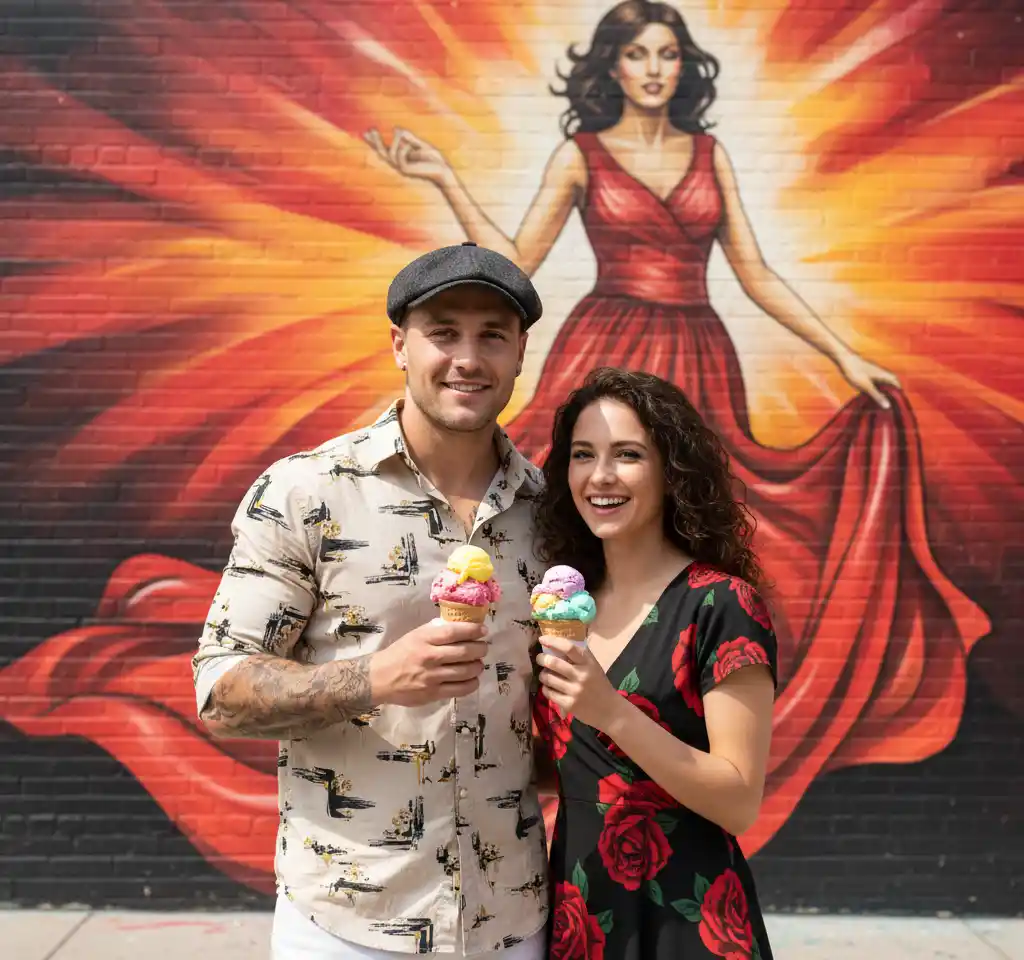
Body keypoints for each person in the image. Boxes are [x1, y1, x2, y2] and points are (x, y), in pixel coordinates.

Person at [365, 0, 987, 854]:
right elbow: (516, 263)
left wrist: (845, 357)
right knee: (575, 535)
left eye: (669, 54)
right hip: (609, 334)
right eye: (637, 54)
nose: (654, 68)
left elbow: (756, 270)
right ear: (611, 67)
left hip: (697, 349)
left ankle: (705, 737)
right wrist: (443, 178)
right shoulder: (581, 155)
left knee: (684, 531)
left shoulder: (710, 153)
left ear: (682, 69)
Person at [192, 241, 551, 959]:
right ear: (399, 345)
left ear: (519, 355)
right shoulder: (306, 492)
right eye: (443, 332)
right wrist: (376, 678)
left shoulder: (551, 513)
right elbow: (220, 690)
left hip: (511, 920)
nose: (468, 359)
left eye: (492, 336)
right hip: (349, 921)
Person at [531, 366, 777, 960]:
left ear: (672, 471)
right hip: (580, 912)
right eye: (583, 454)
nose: (600, 476)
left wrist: (612, 712)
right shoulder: (562, 603)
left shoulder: (722, 603)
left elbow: (738, 800)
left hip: (688, 919)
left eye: (628, 455)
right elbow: (567, 766)